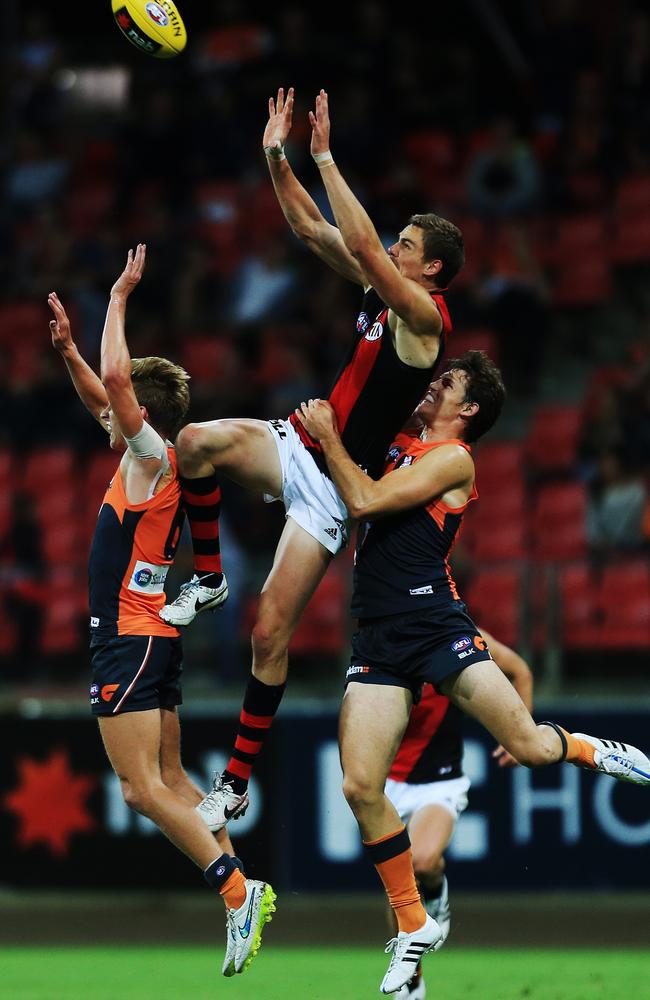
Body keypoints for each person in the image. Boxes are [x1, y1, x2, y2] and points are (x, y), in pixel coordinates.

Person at [296, 351, 650, 995]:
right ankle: (411, 927)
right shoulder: (400, 442)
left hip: (436, 626)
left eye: (447, 384)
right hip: (378, 636)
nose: (433, 386)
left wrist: (328, 438)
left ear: (470, 410)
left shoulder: (454, 459)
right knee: (357, 786)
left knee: (531, 745)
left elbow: (365, 500)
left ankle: (596, 749)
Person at [160, 87, 465, 828]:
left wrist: (323, 153)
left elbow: (360, 243)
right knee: (194, 443)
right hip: (300, 442)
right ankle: (206, 578)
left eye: (406, 249)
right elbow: (307, 226)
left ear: (430, 274)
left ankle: (232, 783)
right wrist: (276, 154)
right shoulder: (382, 292)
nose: (392, 250)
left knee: (269, 635)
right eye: (396, 242)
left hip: (335, 486)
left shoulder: (424, 320)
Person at [47, 245, 275, 978]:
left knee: (140, 790)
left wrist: (115, 299)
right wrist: (70, 353)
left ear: (137, 414)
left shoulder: (149, 457)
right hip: (156, 640)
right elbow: (102, 392)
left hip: (129, 638)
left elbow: (116, 386)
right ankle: (244, 899)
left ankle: (238, 891)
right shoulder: (149, 459)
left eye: (118, 410)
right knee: (178, 786)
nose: (104, 415)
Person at [387, 631, 533, 1000]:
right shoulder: (380, 634)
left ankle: (436, 892)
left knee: (421, 862)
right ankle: (412, 982)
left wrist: (521, 735)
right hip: (385, 782)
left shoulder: (459, 632)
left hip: (439, 781)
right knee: (398, 890)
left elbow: (520, 671)